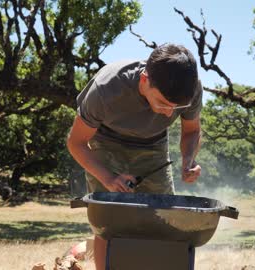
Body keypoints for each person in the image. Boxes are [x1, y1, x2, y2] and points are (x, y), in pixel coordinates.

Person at [66, 43, 202, 270]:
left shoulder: (192, 89)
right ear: (144, 80)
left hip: (154, 144)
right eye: (163, 103)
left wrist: (188, 159)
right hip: (105, 140)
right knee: (108, 221)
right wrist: (109, 178)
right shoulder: (106, 88)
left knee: (164, 218)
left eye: (176, 107)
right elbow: (76, 143)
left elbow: (192, 131)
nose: (170, 113)